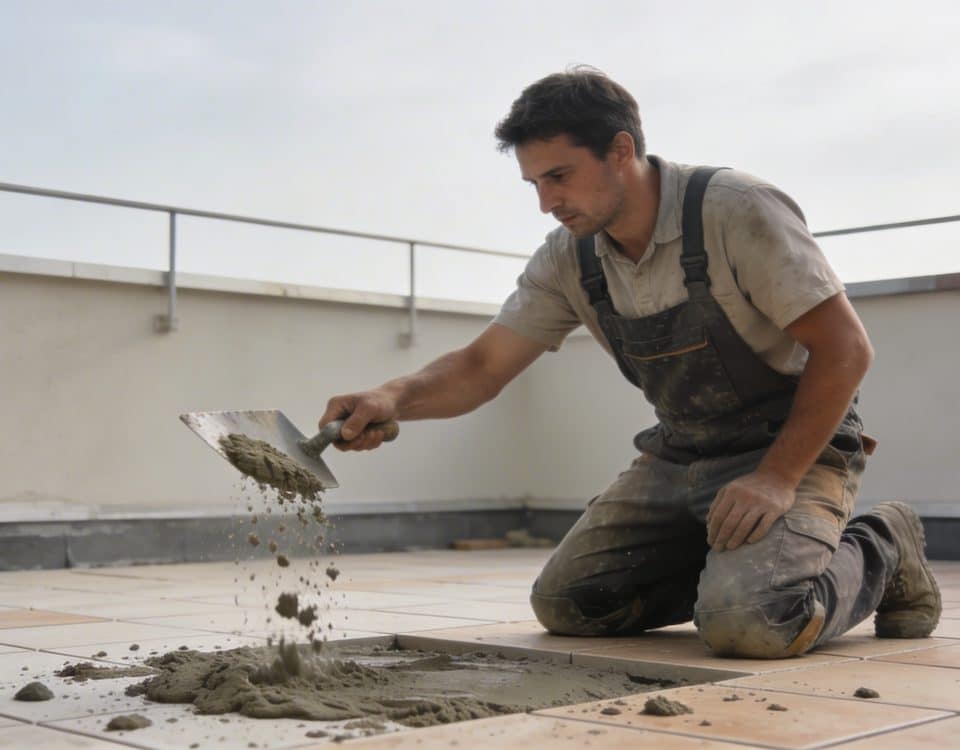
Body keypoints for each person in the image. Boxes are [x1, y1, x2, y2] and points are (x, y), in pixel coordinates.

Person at [319, 68, 941, 658]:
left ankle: (884, 543)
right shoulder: (569, 258)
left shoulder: (734, 210)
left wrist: (776, 478)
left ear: (620, 150)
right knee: (569, 604)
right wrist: (393, 396)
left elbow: (846, 348)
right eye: (534, 184)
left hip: (791, 452)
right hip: (683, 454)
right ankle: (741, 572)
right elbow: (483, 365)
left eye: (559, 176)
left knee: (754, 622)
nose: (546, 203)